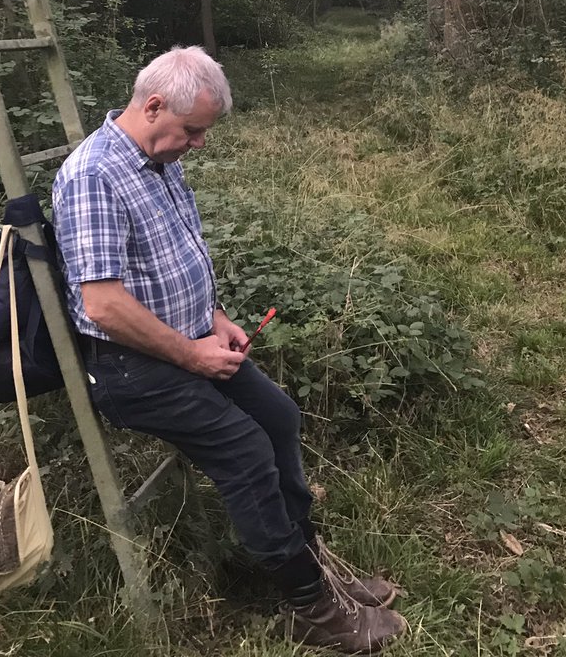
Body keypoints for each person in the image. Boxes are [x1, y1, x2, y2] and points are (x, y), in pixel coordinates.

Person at [51, 46, 406, 653]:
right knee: (245, 453)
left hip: (188, 343)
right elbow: (104, 305)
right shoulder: (94, 177)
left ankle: (312, 562)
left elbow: (174, 257)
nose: (199, 143)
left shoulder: (160, 161)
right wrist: (191, 357)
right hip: (132, 370)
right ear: (154, 105)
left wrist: (213, 319)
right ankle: (311, 606)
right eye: (193, 131)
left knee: (278, 418)